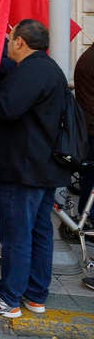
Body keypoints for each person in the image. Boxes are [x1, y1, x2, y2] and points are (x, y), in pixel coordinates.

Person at [0, 19, 69, 318]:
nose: (7, 43)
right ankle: (35, 295)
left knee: (17, 235)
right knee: (39, 233)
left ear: (20, 42)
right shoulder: (47, 68)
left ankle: (7, 297)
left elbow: (6, 107)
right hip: (40, 167)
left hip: (23, 169)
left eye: (10, 38)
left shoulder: (31, 71)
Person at [73, 43, 94, 223]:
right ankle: (87, 219)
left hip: (89, 127)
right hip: (91, 128)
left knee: (89, 176)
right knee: (90, 177)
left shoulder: (88, 57)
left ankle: (86, 216)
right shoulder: (90, 60)